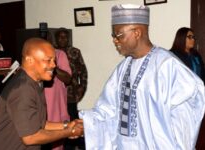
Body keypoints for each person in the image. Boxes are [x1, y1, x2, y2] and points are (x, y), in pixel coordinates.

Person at [79, 4, 205, 149]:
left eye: (118, 35)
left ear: (137, 33)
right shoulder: (123, 68)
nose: (114, 40)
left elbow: (184, 118)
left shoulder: (167, 66)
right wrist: (86, 123)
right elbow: (107, 109)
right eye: (113, 36)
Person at [0, 38, 83, 150]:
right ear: (30, 60)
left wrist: (67, 125)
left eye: (54, 60)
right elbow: (30, 137)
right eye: (48, 60)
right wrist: (69, 132)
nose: (53, 65)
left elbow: (38, 123)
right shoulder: (22, 89)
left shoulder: (34, 82)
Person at [55, 28, 87, 150]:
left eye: (65, 37)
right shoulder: (52, 51)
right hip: (56, 94)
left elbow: (83, 72)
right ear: (56, 39)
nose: (63, 39)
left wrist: (81, 89)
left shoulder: (75, 52)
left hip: (71, 94)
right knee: (59, 121)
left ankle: (77, 145)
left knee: (73, 120)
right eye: (60, 37)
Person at [43, 48, 72, 150]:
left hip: (55, 105)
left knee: (56, 141)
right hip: (39, 104)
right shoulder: (35, 56)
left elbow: (68, 79)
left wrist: (52, 66)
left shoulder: (59, 54)